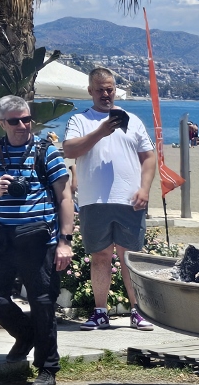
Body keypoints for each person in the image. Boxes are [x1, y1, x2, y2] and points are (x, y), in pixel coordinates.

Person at [62, 67, 157, 332]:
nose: (106, 94)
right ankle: (100, 312)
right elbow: (69, 150)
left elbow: (149, 158)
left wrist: (145, 189)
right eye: (100, 90)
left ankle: (138, 312)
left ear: (115, 90)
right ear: (90, 91)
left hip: (130, 200)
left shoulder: (133, 120)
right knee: (100, 256)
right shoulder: (80, 120)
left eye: (110, 89)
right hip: (94, 200)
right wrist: (100, 132)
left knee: (130, 258)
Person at [0, 95, 75, 385]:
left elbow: (65, 198)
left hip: (38, 240)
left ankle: (48, 367)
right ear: (2, 123)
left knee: (42, 302)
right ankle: (25, 334)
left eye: (27, 119)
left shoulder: (46, 152)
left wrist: (65, 241)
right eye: (14, 121)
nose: (22, 125)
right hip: (1, 240)